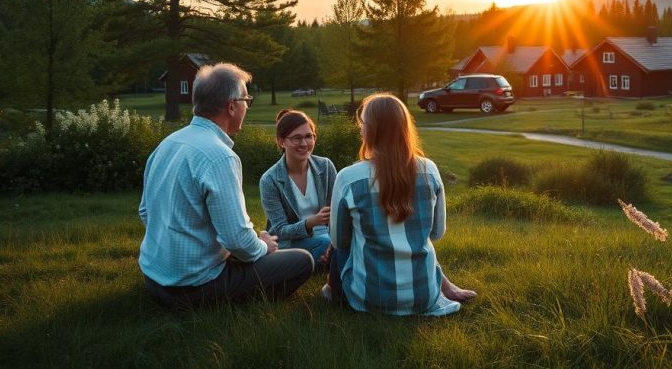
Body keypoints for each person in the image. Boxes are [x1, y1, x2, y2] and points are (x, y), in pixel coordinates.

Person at [138, 63, 313, 309]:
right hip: (191, 287)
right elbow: (237, 240)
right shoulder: (220, 156)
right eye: (246, 100)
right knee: (302, 261)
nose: (247, 107)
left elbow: (145, 212)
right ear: (232, 106)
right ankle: (243, 305)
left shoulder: (167, 144)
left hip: (152, 277)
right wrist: (264, 246)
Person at [328, 93, 476, 315]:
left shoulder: (349, 178)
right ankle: (442, 286)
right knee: (419, 237)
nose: (360, 129)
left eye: (363, 124)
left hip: (369, 299)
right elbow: (436, 233)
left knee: (339, 246)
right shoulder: (429, 171)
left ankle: (333, 291)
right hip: (423, 298)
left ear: (372, 130)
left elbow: (339, 241)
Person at [259, 109, 337, 269]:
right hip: (291, 243)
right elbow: (281, 231)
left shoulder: (326, 167)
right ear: (281, 141)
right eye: (296, 138)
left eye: (309, 136)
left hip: (328, 236)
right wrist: (309, 223)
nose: (304, 143)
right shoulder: (270, 180)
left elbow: (337, 213)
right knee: (326, 244)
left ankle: (328, 258)